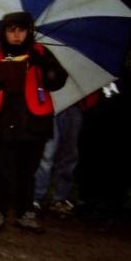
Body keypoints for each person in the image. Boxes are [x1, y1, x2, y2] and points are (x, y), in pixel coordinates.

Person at [0, 11, 68, 233]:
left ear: (29, 31)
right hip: (2, 121)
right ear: (4, 33)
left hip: (35, 121)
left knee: (28, 171)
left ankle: (25, 213)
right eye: (11, 30)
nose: (16, 35)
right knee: (2, 169)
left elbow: (58, 82)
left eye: (21, 30)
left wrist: (42, 65)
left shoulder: (41, 53)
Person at [33, 90, 100, 218]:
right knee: (47, 153)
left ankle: (60, 198)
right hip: (51, 102)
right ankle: (37, 196)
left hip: (75, 103)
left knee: (69, 155)